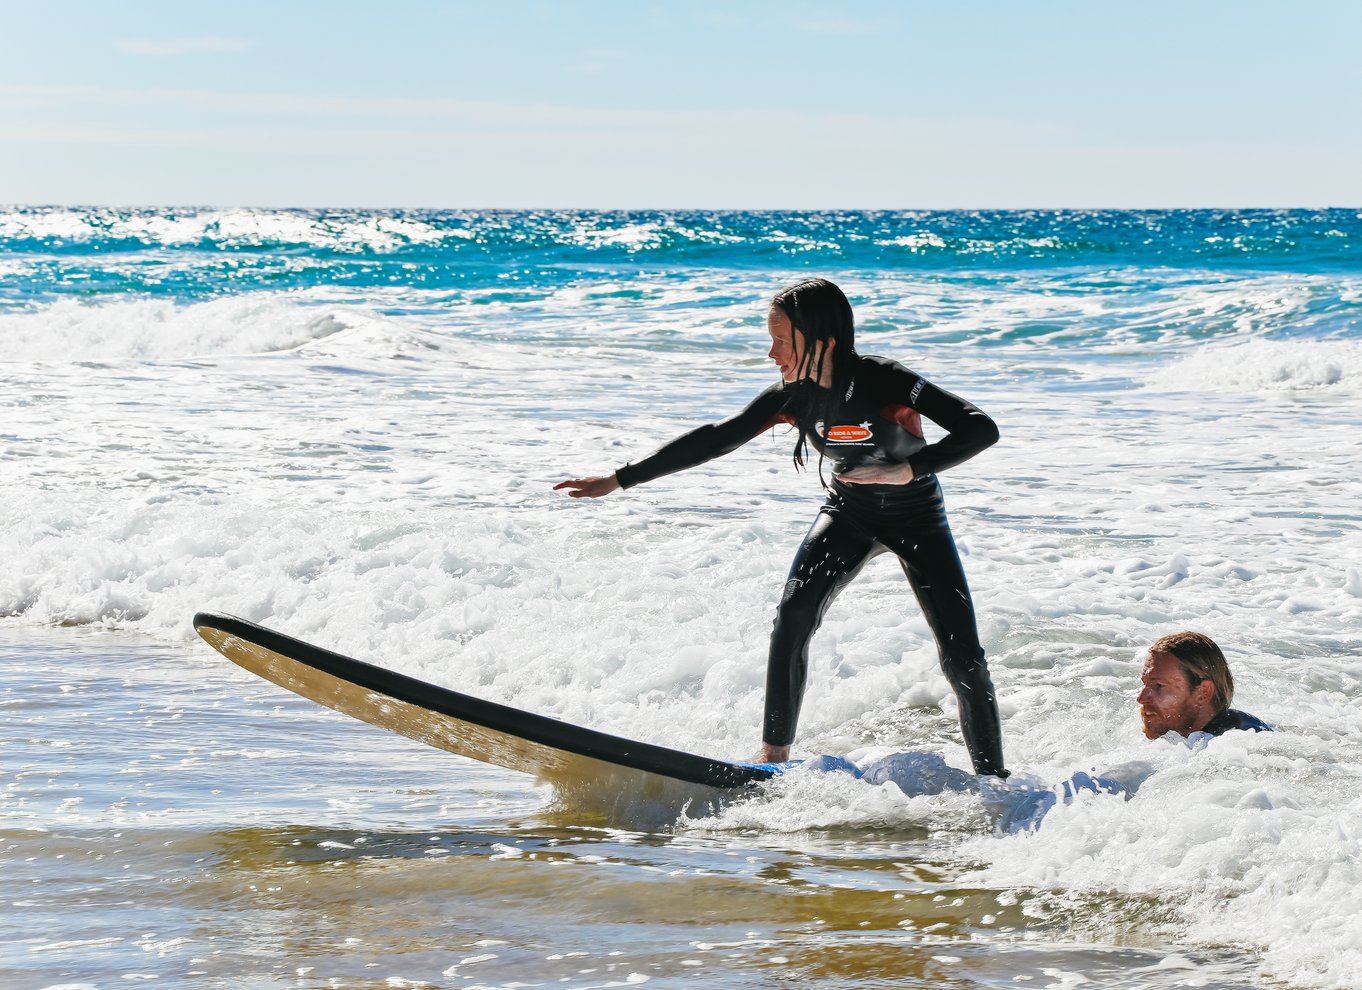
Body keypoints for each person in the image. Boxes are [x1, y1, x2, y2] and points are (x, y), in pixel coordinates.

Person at [555, 277, 1008, 777]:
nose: (773, 354)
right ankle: (772, 758)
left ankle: (993, 780)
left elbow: (978, 426)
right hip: (849, 514)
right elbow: (716, 439)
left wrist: (908, 470)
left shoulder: (886, 380)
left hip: (917, 517)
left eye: (782, 341)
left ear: (823, 342)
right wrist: (620, 479)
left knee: (961, 655)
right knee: (793, 618)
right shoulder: (793, 398)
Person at [1137, 631, 1272, 738]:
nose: (1141, 698)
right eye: (1145, 684)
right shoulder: (1188, 743)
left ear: (1203, 693)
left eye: (1159, 686)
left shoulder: (1238, 745)